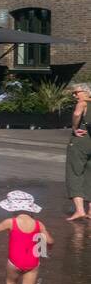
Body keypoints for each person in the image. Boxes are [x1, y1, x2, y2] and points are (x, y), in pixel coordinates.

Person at [64, 84, 91, 221]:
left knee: (74, 173)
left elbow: (77, 114)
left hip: (81, 141)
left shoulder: (83, 103)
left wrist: (74, 128)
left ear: (85, 92)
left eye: (76, 92)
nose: (74, 95)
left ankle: (80, 210)